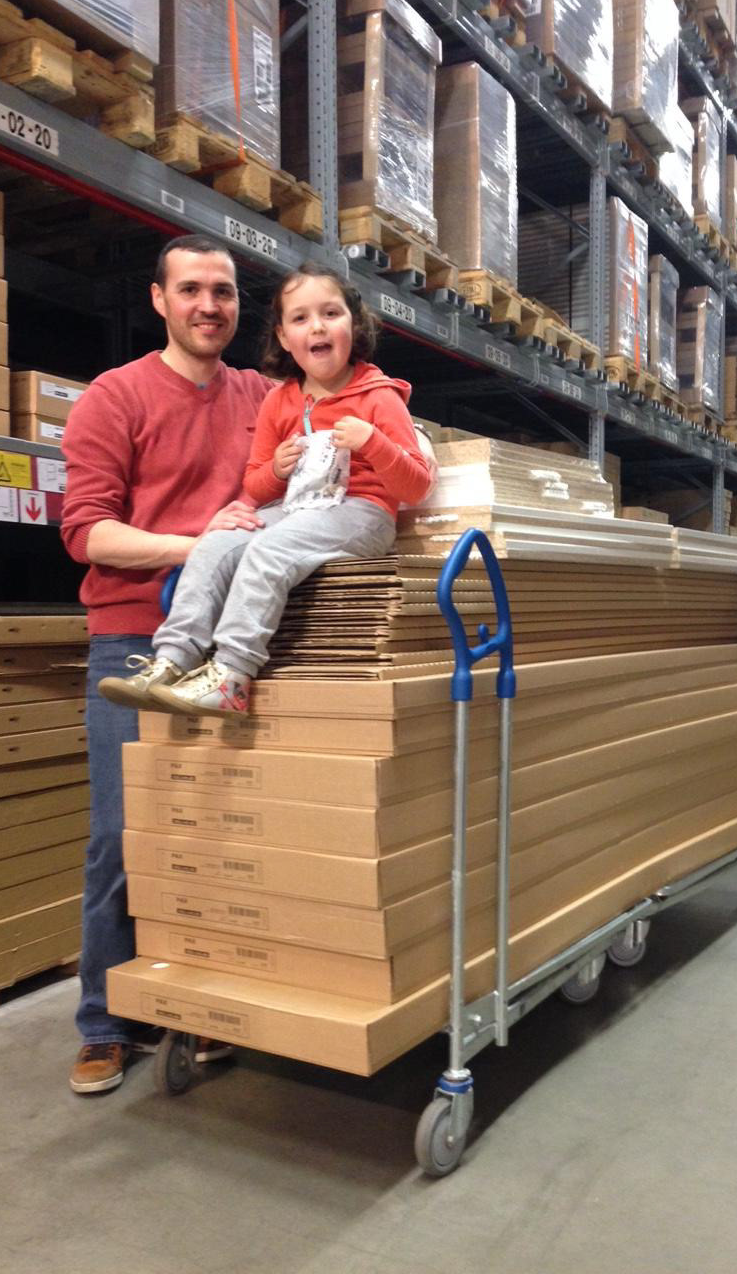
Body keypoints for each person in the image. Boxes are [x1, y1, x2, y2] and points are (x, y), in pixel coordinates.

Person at [60, 234, 275, 1095]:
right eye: (191, 290)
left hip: (237, 647)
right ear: (159, 299)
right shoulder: (115, 397)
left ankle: (202, 1006)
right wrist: (202, 546)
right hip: (134, 641)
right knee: (123, 834)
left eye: (223, 292)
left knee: (220, 830)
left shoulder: (260, 396)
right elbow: (88, 532)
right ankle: (105, 1021)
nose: (208, 306)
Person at [98, 261, 434, 718]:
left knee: (268, 550)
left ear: (354, 325)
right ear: (283, 336)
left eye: (331, 313)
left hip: (363, 513)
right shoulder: (279, 400)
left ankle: (232, 675)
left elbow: (416, 486)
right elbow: (254, 484)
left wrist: (372, 442)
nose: (317, 327)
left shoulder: (378, 395)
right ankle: (173, 661)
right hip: (299, 509)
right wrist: (276, 469)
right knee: (215, 544)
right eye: (300, 318)